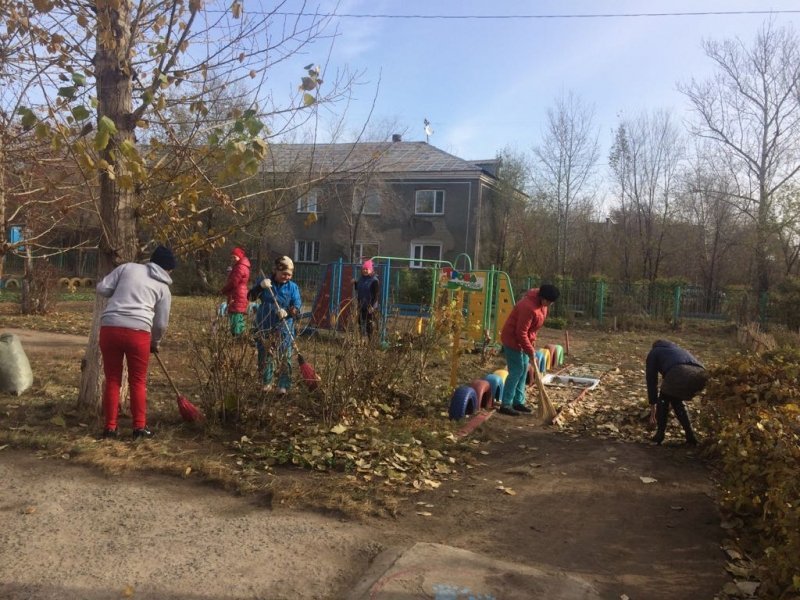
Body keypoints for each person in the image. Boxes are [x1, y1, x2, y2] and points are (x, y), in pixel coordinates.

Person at [96, 245, 175, 439]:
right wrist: (155, 342)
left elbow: (102, 288)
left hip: (110, 328)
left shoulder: (127, 268)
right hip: (138, 333)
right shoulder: (164, 288)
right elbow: (161, 324)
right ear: (168, 269)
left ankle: (110, 428)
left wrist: (118, 291)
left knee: (112, 379)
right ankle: (139, 428)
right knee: (137, 381)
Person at [498, 284, 560, 416]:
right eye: (548, 301)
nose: (549, 305)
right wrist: (530, 351)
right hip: (512, 340)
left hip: (524, 341)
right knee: (517, 370)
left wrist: (530, 347)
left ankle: (518, 402)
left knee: (524, 369)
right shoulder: (528, 307)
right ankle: (506, 404)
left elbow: (532, 330)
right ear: (542, 297)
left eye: (551, 303)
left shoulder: (542, 306)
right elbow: (521, 332)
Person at [248, 256, 302, 395]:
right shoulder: (265, 282)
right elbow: (250, 297)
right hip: (265, 324)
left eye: (289, 274)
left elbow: (297, 306)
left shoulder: (293, 287)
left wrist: (288, 312)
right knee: (266, 354)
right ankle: (266, 383)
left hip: (284, 327)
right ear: (276, 271)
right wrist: (260, 287)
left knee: (285, 355)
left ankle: (283, 385)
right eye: (284, 274)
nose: (286, 277)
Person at [646, 339, 707, 445]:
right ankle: (691, 436)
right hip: (702, 375)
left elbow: (651, 380)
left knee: (664, 400)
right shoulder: (678, 350)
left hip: (679, 372)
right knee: (675, 399)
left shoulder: (654, 352)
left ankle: (659, 435)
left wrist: (653, 410)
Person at [220, 246, 251, 336]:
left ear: (240, 257)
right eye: (232, 257)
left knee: (235, 316)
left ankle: (236, 337)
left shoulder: (239, 267)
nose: (233, 259)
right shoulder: (243, 266)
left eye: (235, 257)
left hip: (237, 294)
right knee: (239, 315)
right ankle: (240, 337)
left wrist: (223, 290)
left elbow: (233, 282)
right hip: (241, 293)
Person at [353, 259, 380, 339]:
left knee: (369, 325)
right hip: (361, 305)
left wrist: (371, 306)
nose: (364, 270)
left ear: (371, 270)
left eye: (366, 269)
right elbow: (358, 288)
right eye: (363, 269)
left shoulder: (374, 281)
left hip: (370, 306)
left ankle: (370, 341)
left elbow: (376, 295)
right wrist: (355, 283)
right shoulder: (362, 279)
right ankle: (361, 340)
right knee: (360, 322)